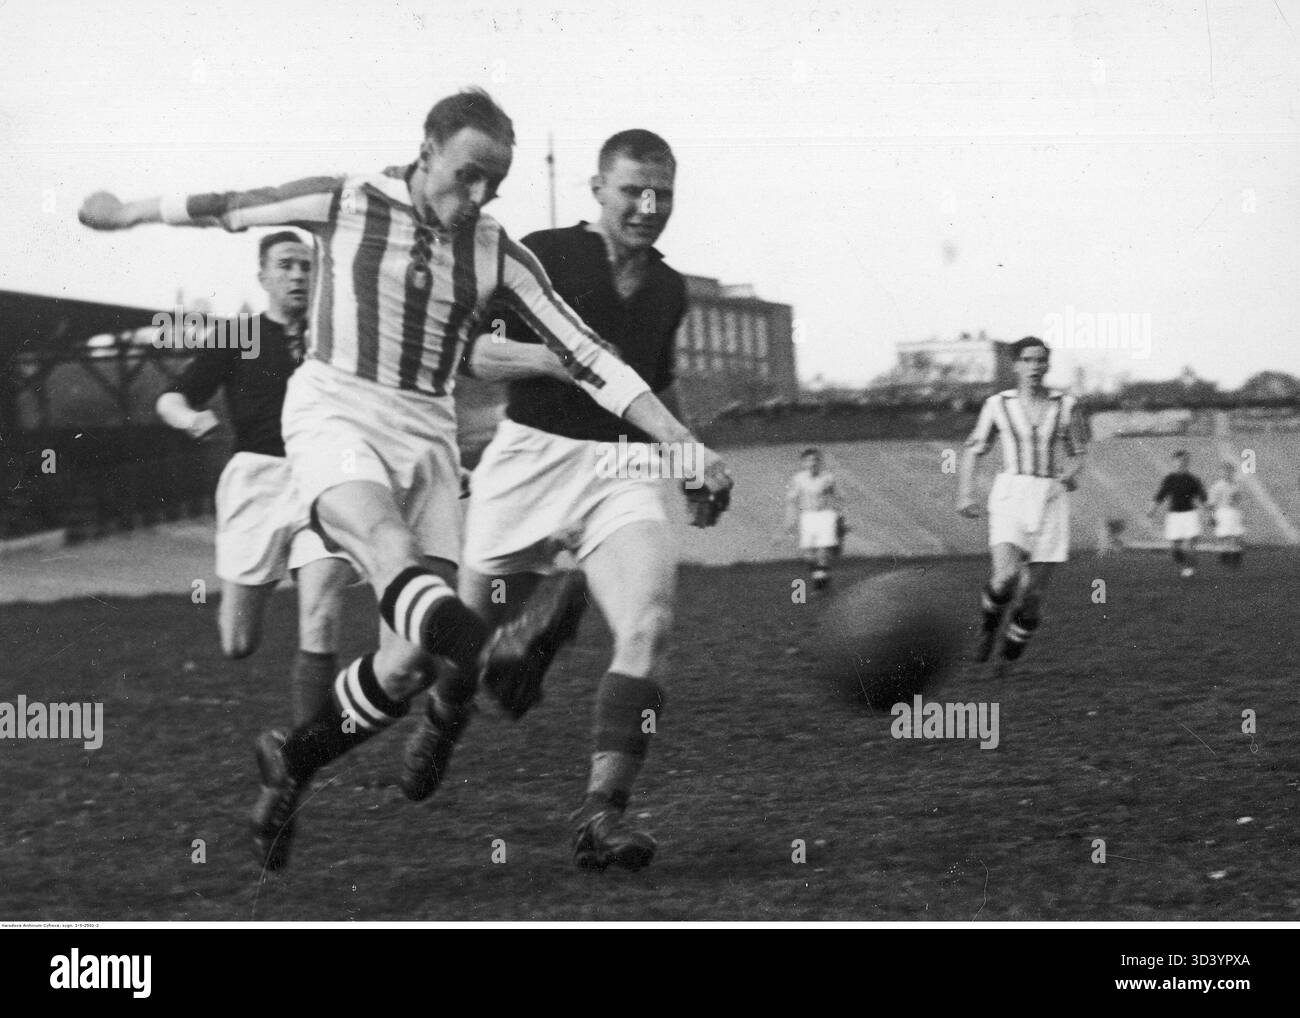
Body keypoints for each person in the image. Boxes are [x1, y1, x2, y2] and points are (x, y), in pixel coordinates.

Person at [79, 89, 733, 873]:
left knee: (408, 667)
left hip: (426, 434)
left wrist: (683, 446)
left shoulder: (496, 250)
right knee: (390, 553)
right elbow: (228, 205)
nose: (480, 196)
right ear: (425, 153)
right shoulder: (346, 199)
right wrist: (125, 212)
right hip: (336, 414)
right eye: (467, 175)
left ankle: (295, 759)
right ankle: (491, 657)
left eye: (496, 182)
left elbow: (593, 357)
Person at [400, 129, 728, 872]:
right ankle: (446, 716)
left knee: (649, 623)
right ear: (597, 190)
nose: (649, 208)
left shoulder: (670, 289)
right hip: (528, 460)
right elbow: (472, 353)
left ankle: (601, 815)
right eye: (633, 192)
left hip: (621, 470)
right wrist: (562, 357)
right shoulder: (544, 252)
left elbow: (659, 384)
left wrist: (685, 459)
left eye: (663, 194)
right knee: (466, 639)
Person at [155, 232, 356, 724]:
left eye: (308, 267)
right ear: (263, 275)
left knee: (321, 616)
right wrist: (191, 419)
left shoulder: (337, 337)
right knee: (238, 644)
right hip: (257, 481)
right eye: (286, 265)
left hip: (323, 480)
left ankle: (306, 756)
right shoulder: (237, 334)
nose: (298, 276)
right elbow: (172, 397)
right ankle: (236, 616)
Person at [957, 337, 1087, 662]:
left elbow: (1079, 452)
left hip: (1049, 497)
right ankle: (989, 626)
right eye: (1028, 360)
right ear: (1016, 365)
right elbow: (973, 450)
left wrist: (1071, 472)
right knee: (1006, 577)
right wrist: (965, 493)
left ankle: (1008, 658)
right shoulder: (997, 404)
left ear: (1047, 365)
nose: (1034, 366)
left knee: (1033, 595)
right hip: (1010, 494)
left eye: (1040, 360)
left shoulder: (1066, 405)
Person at [785, 447, 844, 590]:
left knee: (823, 551)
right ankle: (823, 578)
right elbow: (792, 500)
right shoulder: (798, 479)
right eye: (809, 460)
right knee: (808, 555)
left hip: (825, 515)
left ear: (820, 462)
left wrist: (840, 517)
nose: (812, 463)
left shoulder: (828, 478)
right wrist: (790, 520)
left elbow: (838, 497)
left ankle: (820, 587)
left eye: (815, 460)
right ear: (803, 463)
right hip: (807, 516)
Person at [1148, 450, 1207, 578]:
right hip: (1174, 516)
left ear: (1187, 462)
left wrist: (1210, 515)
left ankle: (1189, 568)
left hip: (1190, 515)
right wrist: (1151, 510)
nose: (1181, 463)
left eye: (1185, 460)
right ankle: (1187, 563)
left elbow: (1202, 498)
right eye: (1179, 460)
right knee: (1175, 549)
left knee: (1191, 544)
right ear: (1174, 462)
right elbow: (1160, 496)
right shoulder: (1169, 479)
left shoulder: (1193, 479)